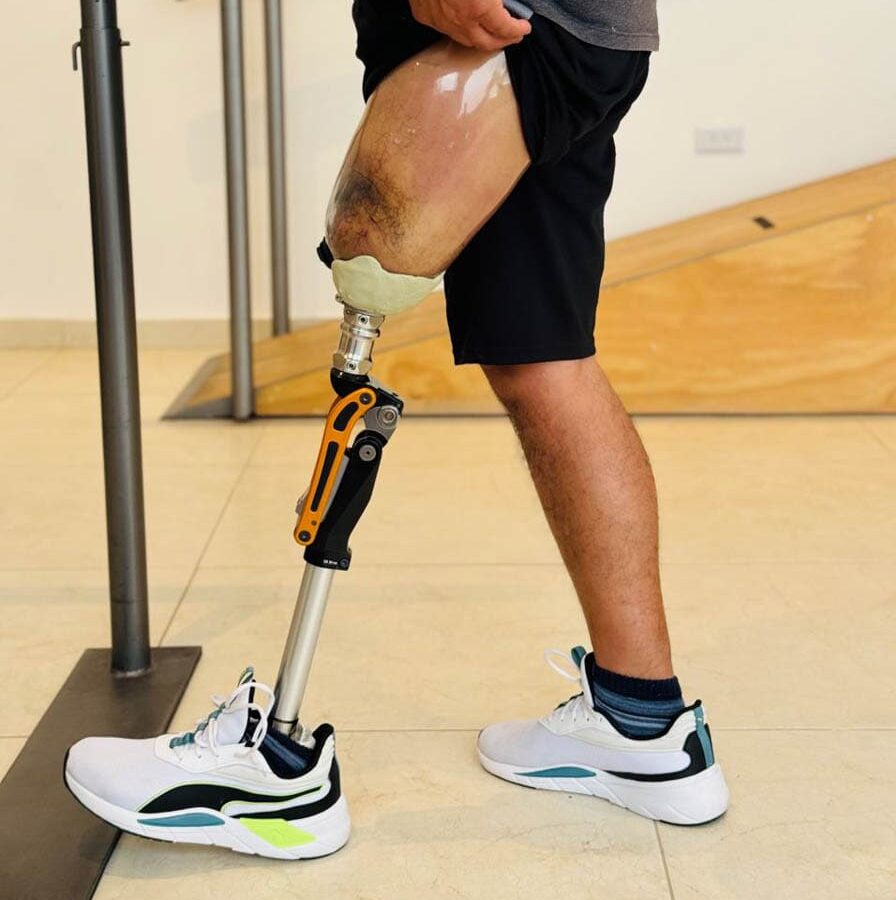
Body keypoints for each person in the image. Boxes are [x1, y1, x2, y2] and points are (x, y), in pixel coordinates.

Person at [64, 0, 728, 860]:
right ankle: (642, 726)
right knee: (542, 358)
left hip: (491, 30)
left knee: (368, 284)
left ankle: (278, 771)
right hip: (571, 31)